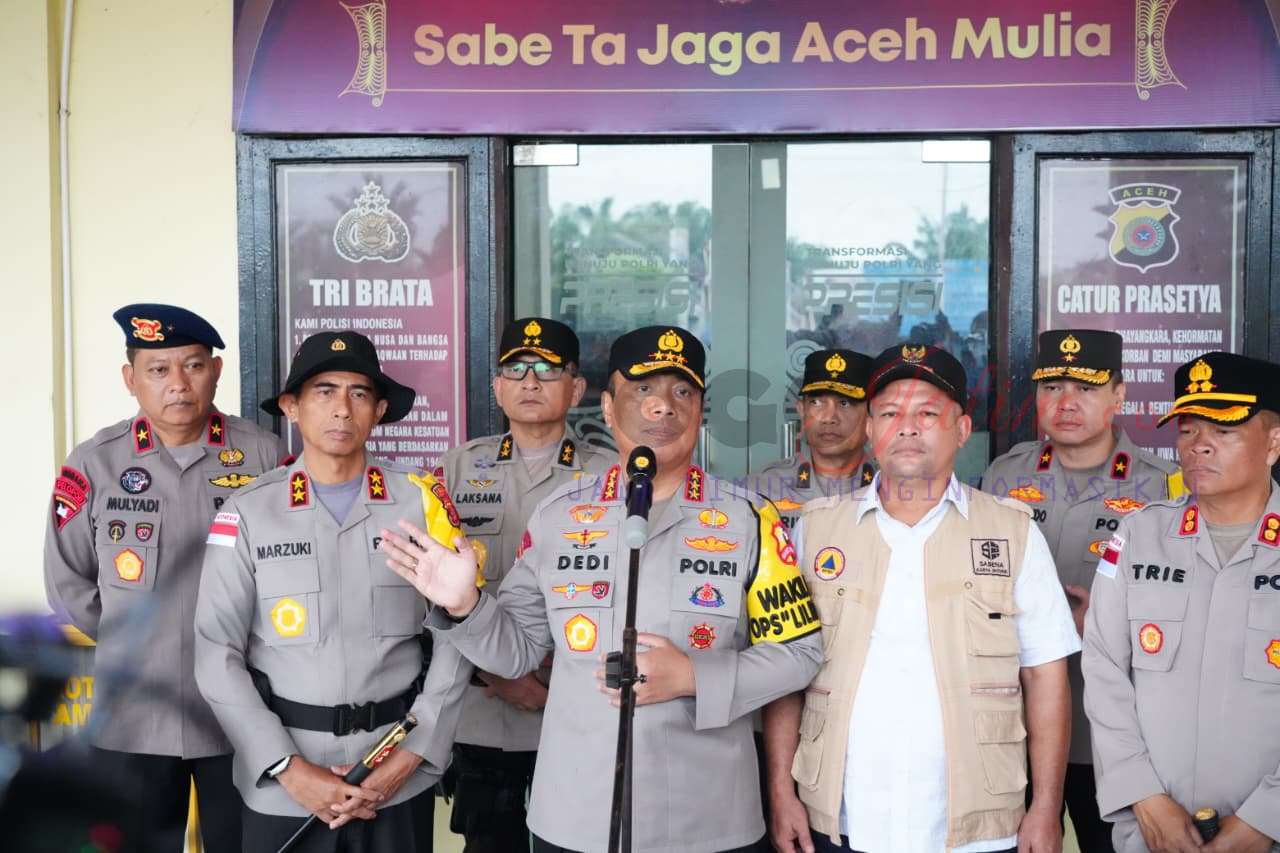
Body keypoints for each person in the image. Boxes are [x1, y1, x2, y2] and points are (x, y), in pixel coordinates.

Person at [379, 325, 825, 853]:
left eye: (682, 391)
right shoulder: (558, 517)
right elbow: (516, 650)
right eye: (643, 389)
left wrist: (694, 676)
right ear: (608, 408)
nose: (663, 406)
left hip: (708, 814)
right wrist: (465, 605)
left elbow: (800, 653)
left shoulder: (750, 520)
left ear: (700, 410)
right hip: (577, 812)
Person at [766, 343, 1080, 853]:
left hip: (978, 828)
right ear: (870, 430)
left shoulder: (1013, 531)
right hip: (843, 819)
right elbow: (786, 670)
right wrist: (782, 792)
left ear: (962, 429)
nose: (907, 428)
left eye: (927, 414)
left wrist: (1047, 805)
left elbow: (1045, 676)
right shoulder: (816, 531)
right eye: (890, 413)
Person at [193, 331, 471, 853]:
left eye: (359, 393)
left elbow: (459, 632)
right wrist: (287, 768)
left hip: (397, 775)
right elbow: (215, 653)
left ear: (379, 410)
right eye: (324, 391)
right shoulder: (248, 512)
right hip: (285, 788)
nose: (342, 408)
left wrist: (414, 753)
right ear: (291, 407)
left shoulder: (422, 504)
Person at [43, 303, 282, 853]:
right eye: (158, 369)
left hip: (242, 716)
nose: (178, 383)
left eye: (193, 365)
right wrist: (138, 641)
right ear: (131, 379)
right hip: (134, 716)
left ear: (215, 371)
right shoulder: (94, 463)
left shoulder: (264, 455)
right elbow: (67, 582)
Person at [981, 329, 1182, 852]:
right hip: (1011, 726)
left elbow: (1189, 606)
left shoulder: (1165, 486)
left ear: (1119, 395)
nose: (1066, 403)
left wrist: (1112, 622)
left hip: (1111, 733)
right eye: (1052, 388)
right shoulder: (1003, 476)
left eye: (1086, 389)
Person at [1083, 351, 1280, 853]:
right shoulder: (1138, 535)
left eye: (1224, 430)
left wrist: (1267, 818)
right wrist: (1143, 796)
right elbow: (1104, 670)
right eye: (1188, 430)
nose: (1199, 446)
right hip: (1151, 833)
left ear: (1273, 442)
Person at [437, 317, 609, 852]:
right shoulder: (456, 470)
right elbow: (430, 590)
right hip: (484, 711)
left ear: (576, 389)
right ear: (497, 387)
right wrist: (499, 673)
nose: (530, 382)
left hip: (579, 706)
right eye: (516, 370)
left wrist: (545, 683)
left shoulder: (611, 475)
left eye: (547, 370)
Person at [749, 348, 876, 530]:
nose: (829, 417)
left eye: (845, 403)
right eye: (816, 402)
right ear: (802, 410)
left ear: (872, 414)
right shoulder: (761, 489)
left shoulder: (890, 487)